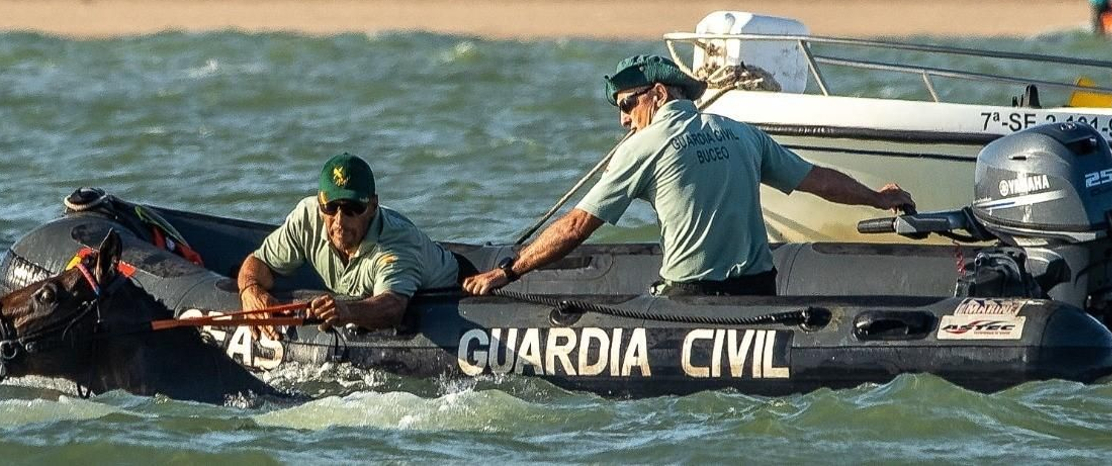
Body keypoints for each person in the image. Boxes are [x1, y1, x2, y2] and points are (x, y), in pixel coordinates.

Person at [464, 55, 916, 298]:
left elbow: (577, 226)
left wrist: (509, 270)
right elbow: (816, 180)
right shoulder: (740, 132)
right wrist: (877, 198)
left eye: (626, 105)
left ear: (657, 94)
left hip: (694, 298)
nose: (623, 121)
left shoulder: (643, 147)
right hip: (759, 290)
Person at [238, 153, 464, 332]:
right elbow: (258, 262)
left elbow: (392, 307)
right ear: (320, 203)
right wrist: (250, 290)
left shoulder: (396, 243)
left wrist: (346, 311)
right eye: (331, 207)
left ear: (373, 206)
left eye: (352, 208)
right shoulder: (306, 217)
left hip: (448, 294)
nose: (339, 221)